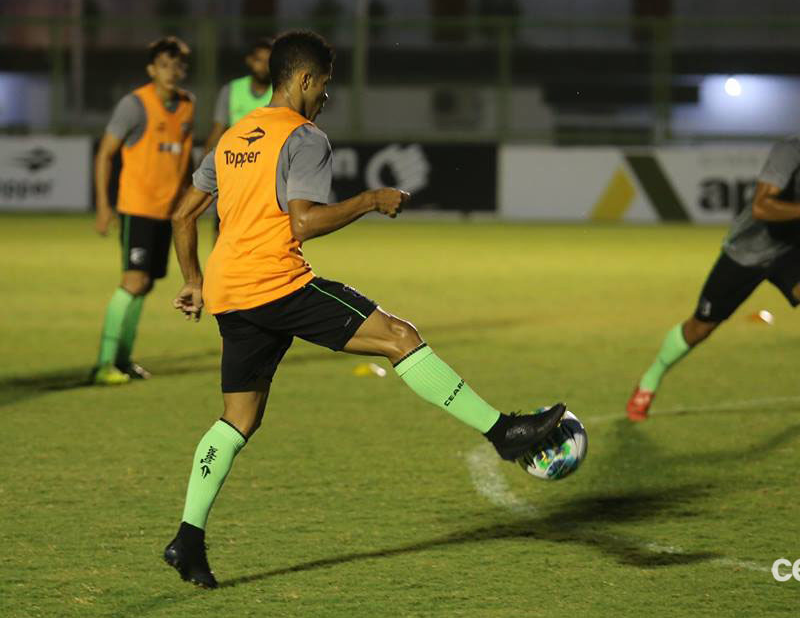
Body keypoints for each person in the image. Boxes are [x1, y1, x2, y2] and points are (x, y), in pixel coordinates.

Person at [162, 30, 565, 589]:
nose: (327, 95)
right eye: (325, 83)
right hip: (278, 285)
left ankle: (189, 538)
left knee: (239, 419)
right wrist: (373, 200)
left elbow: (183, 214)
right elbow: (303, 221)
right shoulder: (304, 138)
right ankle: (503, 433)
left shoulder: (235, 135)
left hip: (231, 294)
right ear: (304, 79)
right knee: (400, 337)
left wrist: (192, 280)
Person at [626, 86, 800, 422]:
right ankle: (648, 383)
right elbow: (762, 207)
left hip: (786, 251)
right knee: (699, 328)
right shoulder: (788, 152)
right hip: (745, 252)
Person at [91, 36, 195, 385]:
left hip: (169, 212)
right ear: (152, 69)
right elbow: (105, 153)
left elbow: (184, 160)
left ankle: (122, 360)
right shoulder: (134, 105)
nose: (172, 72)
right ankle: (104, 363)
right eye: (165, 65)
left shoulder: (186, 105)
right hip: (138, 209)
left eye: (178, 65)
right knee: (133, 281)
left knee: (146, 284)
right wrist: (104, 206)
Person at [204, 37, 274, 241]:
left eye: (269, 60)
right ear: (250, 61)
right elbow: (218, 131)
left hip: (265, 180)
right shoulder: (232, 90)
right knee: (222, 233)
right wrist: (206, 170)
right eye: (259, 60)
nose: (264, 65)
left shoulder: (281, 92)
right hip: (233, 178)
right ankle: (220, 272)